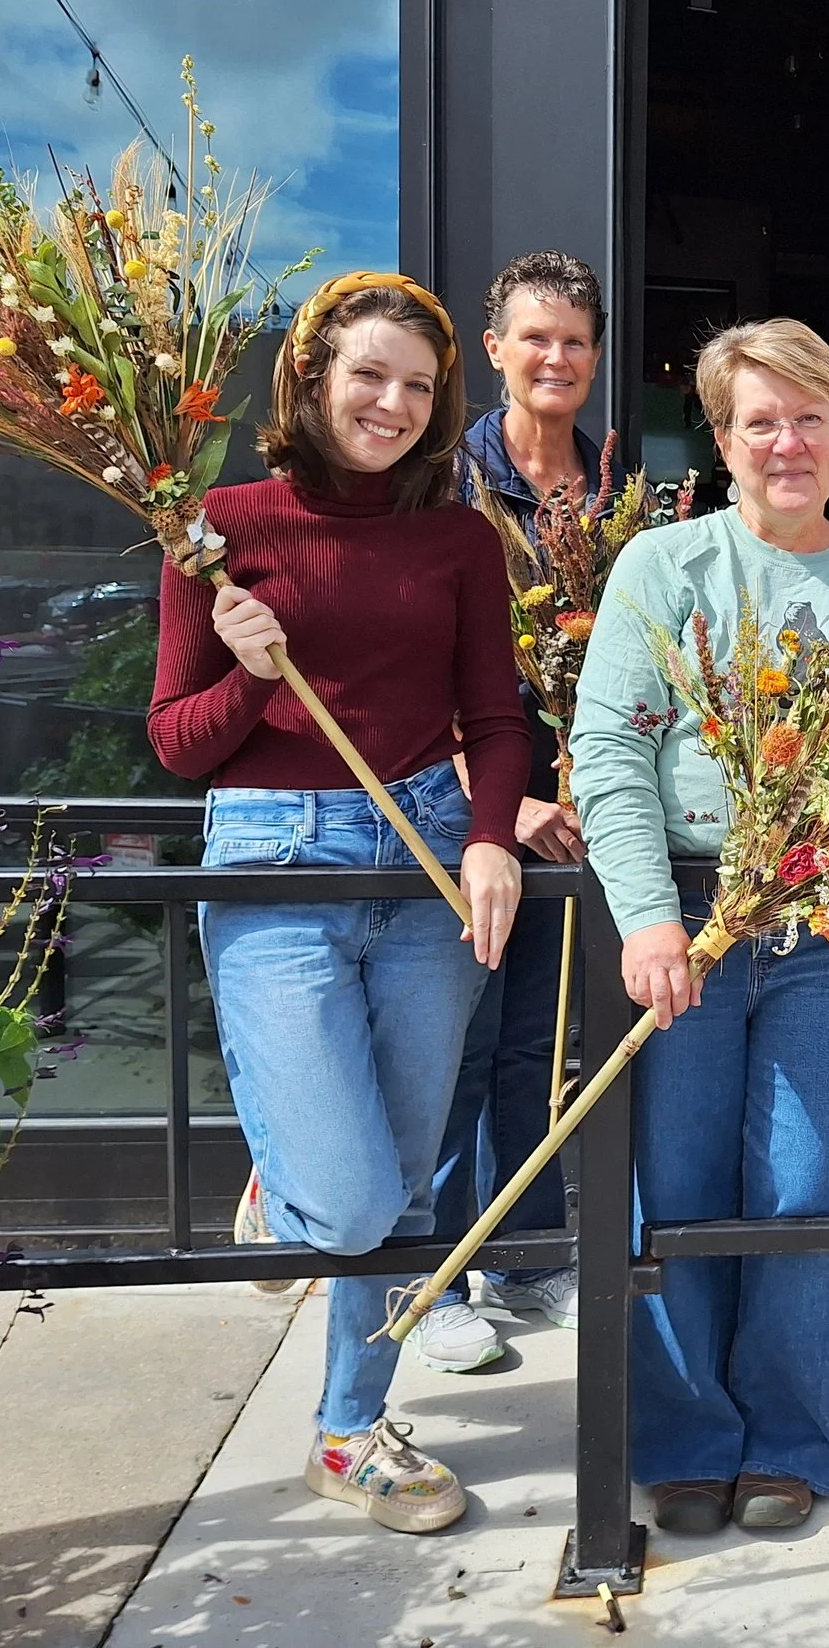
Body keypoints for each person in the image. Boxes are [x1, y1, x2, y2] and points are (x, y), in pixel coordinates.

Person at [149, 272, 528, 1535]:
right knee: (358, 1202)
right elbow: (177, 744)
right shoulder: (214, 529)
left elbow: (494, 716)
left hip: (423, 855)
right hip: (273, 857)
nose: (394, 404)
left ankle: (348, 1431)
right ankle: (294, 1188)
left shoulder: (461, 538)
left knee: (408, 1189)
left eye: (420, 387)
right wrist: (256, 677)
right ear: (309, 377)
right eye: (369, 374)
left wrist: (488, 840)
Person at [570, 318, 829, 1538]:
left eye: (809, 414)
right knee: (682, 1177)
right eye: (759, 420)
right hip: (690, 914)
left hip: (823, 924)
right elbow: (606, 746)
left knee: (809, 1182)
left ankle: (791, 1438)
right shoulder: (663, 568)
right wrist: (650, 917)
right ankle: (688, 1440)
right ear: (720, 441)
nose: (787, 441)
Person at [410, 252, 609, 1375]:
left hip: (574, 814)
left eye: (574, 341)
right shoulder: (443, 482)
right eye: (534, 338)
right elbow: (406, 667)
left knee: (536, 1044)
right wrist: (511, 798)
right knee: (457, 1042)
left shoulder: (615, 485)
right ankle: (436, 1272)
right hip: (466, 809)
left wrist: (589, 783)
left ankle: (527, 1256)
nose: (555, 358)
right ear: (492, 350)